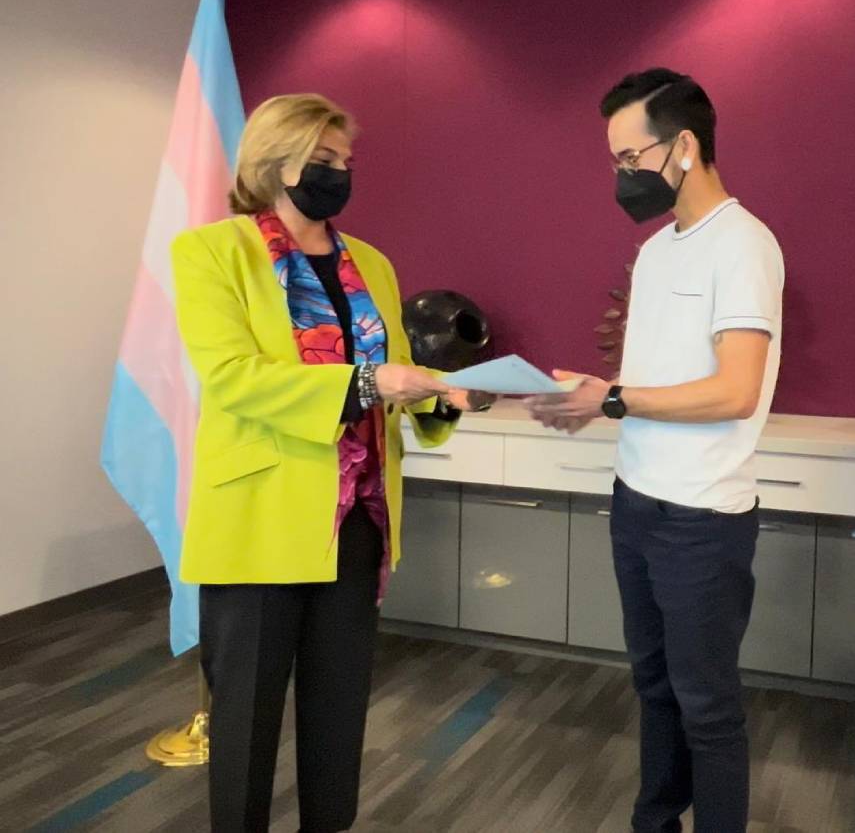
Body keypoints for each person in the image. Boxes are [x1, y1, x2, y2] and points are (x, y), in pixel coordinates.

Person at [172, 93, 492, 832]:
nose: (340, 173)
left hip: (357, 521)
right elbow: (233, 378)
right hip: (260, 520)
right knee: (246, 715)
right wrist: (372, 383)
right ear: (274, 161)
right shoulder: (211, 253)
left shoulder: (370, 263)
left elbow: (401, 375)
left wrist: (447, 397)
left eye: (345, 159)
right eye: (323, 159)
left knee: (339, 707)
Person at [527, 69, 785, 833]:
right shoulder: (656, 251)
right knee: (654, 687)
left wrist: (611, 398)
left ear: (685, 146)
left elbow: (735, 390)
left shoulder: (744, 245)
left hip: (701, 519)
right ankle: (655, 823)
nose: (621, 176)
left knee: (707, 705)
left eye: (629, 157)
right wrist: (594, 401)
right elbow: (655, 384)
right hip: (635, 501)